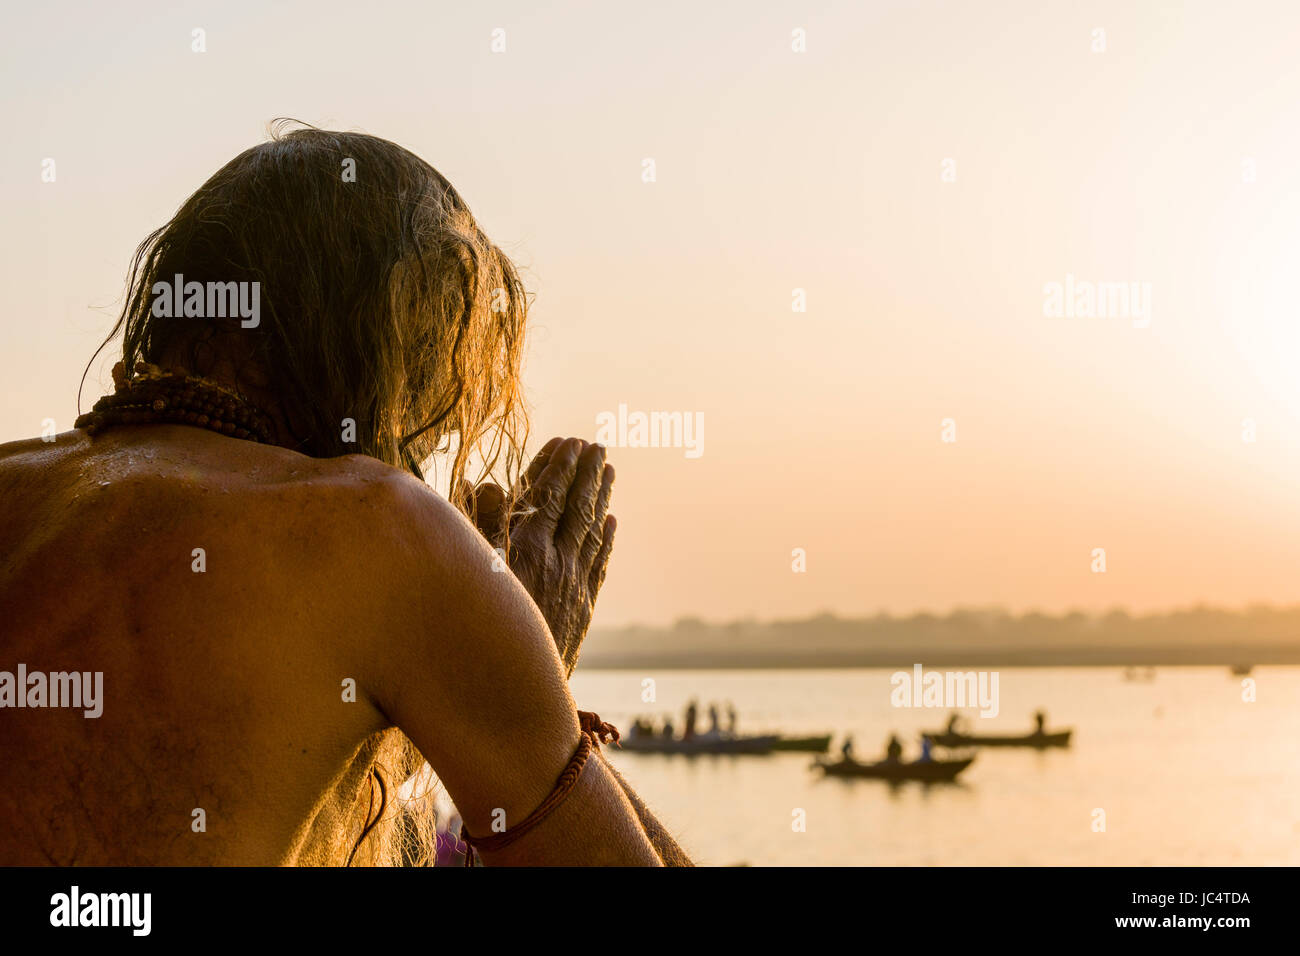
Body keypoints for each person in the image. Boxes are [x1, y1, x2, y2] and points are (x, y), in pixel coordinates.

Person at [0, 124, 689, 867]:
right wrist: (527, 679)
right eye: (432, 397)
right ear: (380, 347)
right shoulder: (384, 526)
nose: (419, 451)